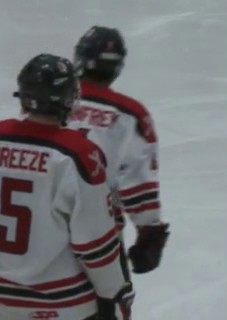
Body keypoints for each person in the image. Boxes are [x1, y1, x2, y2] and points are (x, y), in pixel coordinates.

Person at [0, 54, 134, 320]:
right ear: (65, 99)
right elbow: (94, 242)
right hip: (65, 304)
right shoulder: (78, 154)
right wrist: (111, 293)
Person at [68, 27, 170, 276]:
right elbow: (137, 179)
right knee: (107, 306)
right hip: (97, 235)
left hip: (35, 230)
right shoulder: (130, 114)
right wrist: (149, 231)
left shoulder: (48, 100)